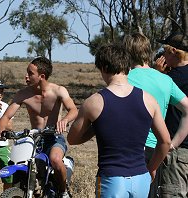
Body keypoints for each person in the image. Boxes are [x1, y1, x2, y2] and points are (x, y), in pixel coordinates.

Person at [67, 43, 171, 197]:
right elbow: (166, 142)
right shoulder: (149, 100)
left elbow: (73, 139)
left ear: (103, 67)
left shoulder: (94, 102)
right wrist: (152, 168)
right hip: (141, 178)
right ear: (128, 66)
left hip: (110, 179)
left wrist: (96, 127)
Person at [0, 56, 78, 198]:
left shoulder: (58, 91)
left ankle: (64, 192)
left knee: (55, 160)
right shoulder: (23, 94)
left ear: (42, 76)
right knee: (21, 165)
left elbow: (73, 110)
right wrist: (1, 130)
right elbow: (6, 116)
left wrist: (64, 120)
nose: (26, 76)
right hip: (34, 138)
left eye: (30, 73)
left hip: (54, 137)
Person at [124, 32, 188, 198]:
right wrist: (172, 144)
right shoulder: (166, 80)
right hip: (156, 151)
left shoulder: (124, 79)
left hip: (128, 148)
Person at [157, 32, 188, 197]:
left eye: (165, 51)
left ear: (173, 51)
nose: (162, 56)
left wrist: (157, 75)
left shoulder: (170, 79)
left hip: (177, 151)